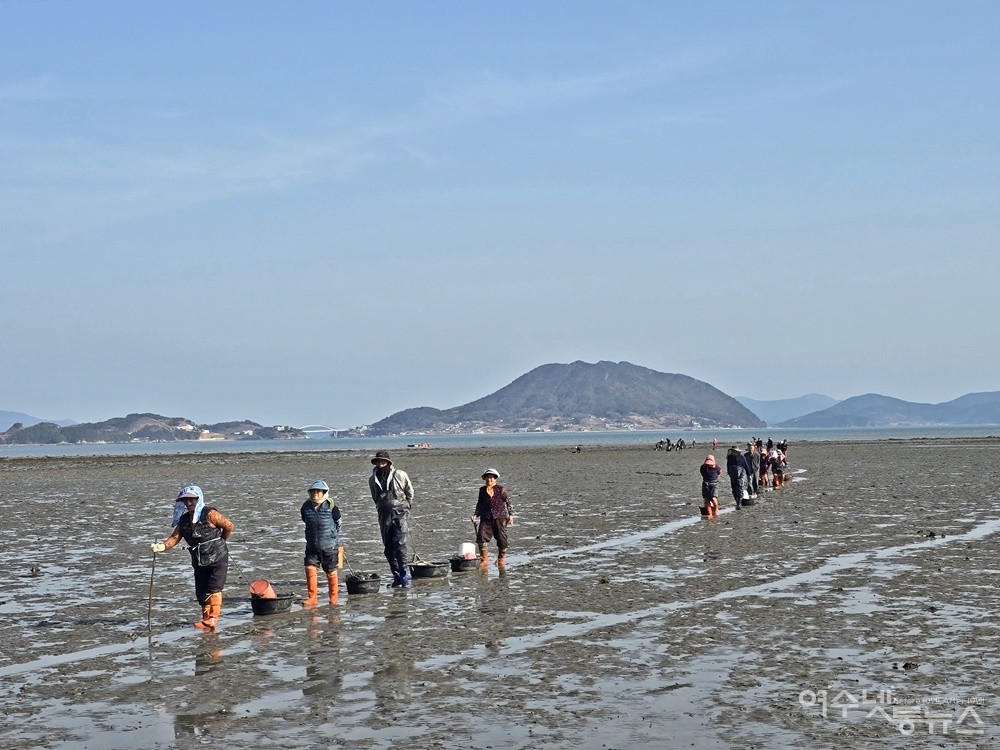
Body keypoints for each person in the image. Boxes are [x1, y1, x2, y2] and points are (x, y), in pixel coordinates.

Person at [150, 485, 235, 630]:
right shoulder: (183, 520)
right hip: (199, 560)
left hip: (218, 557)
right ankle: (206, 619)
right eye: (186, 501)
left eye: (192, 500)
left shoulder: (210, 514)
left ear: (199, 499)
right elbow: (174, 538)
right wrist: (162, 546)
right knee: (201, 591)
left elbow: (229, 526)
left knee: (214, 587)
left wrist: (221, 541)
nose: (189, 503)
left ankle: (213, 619)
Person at [368, 450, 415, 588]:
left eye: (383, 461)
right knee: (388, 548)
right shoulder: (372, 479)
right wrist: (381, 507)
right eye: (378, 461)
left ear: (389, 462)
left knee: (400, 546)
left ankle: (404, 576)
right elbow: (375, 497)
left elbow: (409, 491)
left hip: (399, 513)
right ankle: (396, 576)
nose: (381, 464)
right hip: (383, 515)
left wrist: (406, 506)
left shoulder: (399, 474)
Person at [300, 479, 342, 606]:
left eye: (318, 491)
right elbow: (304, 519)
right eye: (313, 491)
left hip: (329, 546)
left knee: (331, 571)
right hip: (312, 545)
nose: (315, 494)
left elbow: (338, 523)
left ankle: (333, 598)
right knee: (310, 568)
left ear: (324, 492)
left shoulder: (331, 506)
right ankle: (312, 597)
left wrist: (332, 536)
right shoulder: (305, 507)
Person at [471, 468, 514, 567]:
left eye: (491, 478)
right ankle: (484, 559)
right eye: (487, 478)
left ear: (495, 479)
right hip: (486, 517)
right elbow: (480, 504)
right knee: (481, 538)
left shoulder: (501, 489)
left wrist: (511, 515)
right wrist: (475, 515)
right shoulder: (482, 490)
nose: (489, 480)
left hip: (500, 517)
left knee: (502, 539)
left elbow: (508, 502)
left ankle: (501, 558)